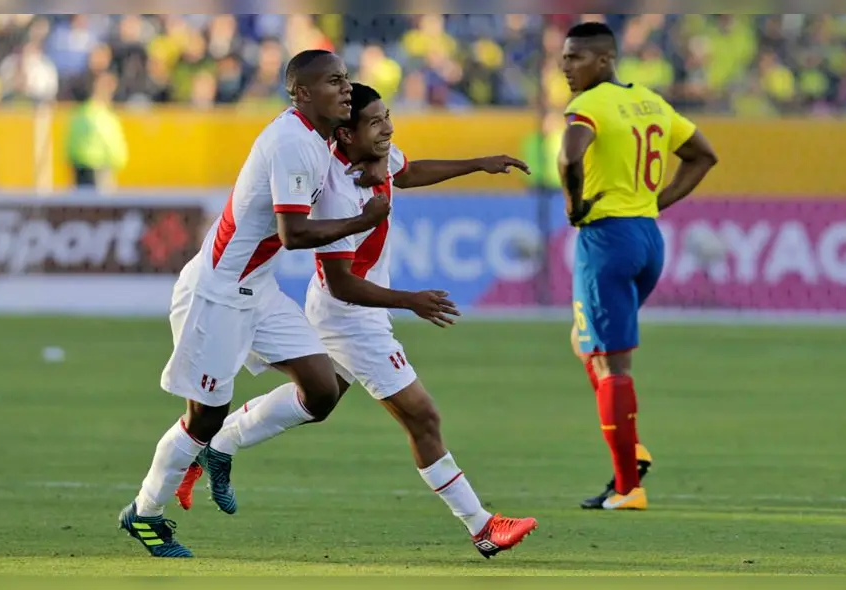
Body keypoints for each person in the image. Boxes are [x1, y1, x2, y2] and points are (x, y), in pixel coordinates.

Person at [177, 83, 539, 559]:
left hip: (346, 309)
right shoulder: (335, 191)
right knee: (422, 416)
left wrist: (479, 163)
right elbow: (343, 282)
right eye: (375, 122)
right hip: (351, 315)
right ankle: (482, 526)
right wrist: (410, 299)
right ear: (345, 135)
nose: (387, 127)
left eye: (387, 116)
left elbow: (407, 172)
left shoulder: (373, 157)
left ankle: (220, 442)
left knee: (317, 402)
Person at [118, 50, 390, 558]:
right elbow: (292, 233)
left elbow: (383, 159)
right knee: (203, 417)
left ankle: (223, 449)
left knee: (323, 389)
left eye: (347, 79)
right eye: (334, 81)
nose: (347, 88)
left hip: (257, 290)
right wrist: (361, 221)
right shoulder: (290, 142)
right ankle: (146, 513)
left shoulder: (319, 136)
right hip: (217, 293)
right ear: (302, 94)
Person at [557, 23, 718, 510]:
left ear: (605, 61)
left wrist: (574, 206)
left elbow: (568, 157)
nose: (566, 67)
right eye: (564, 58)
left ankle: (629, 487)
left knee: (611, 362)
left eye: (576, 58)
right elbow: (702, 155)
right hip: (648, 239)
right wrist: (656, 201)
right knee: (584, 342)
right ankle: (631, 446)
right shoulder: (649, 100)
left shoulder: (589, 106)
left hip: (607, 238)